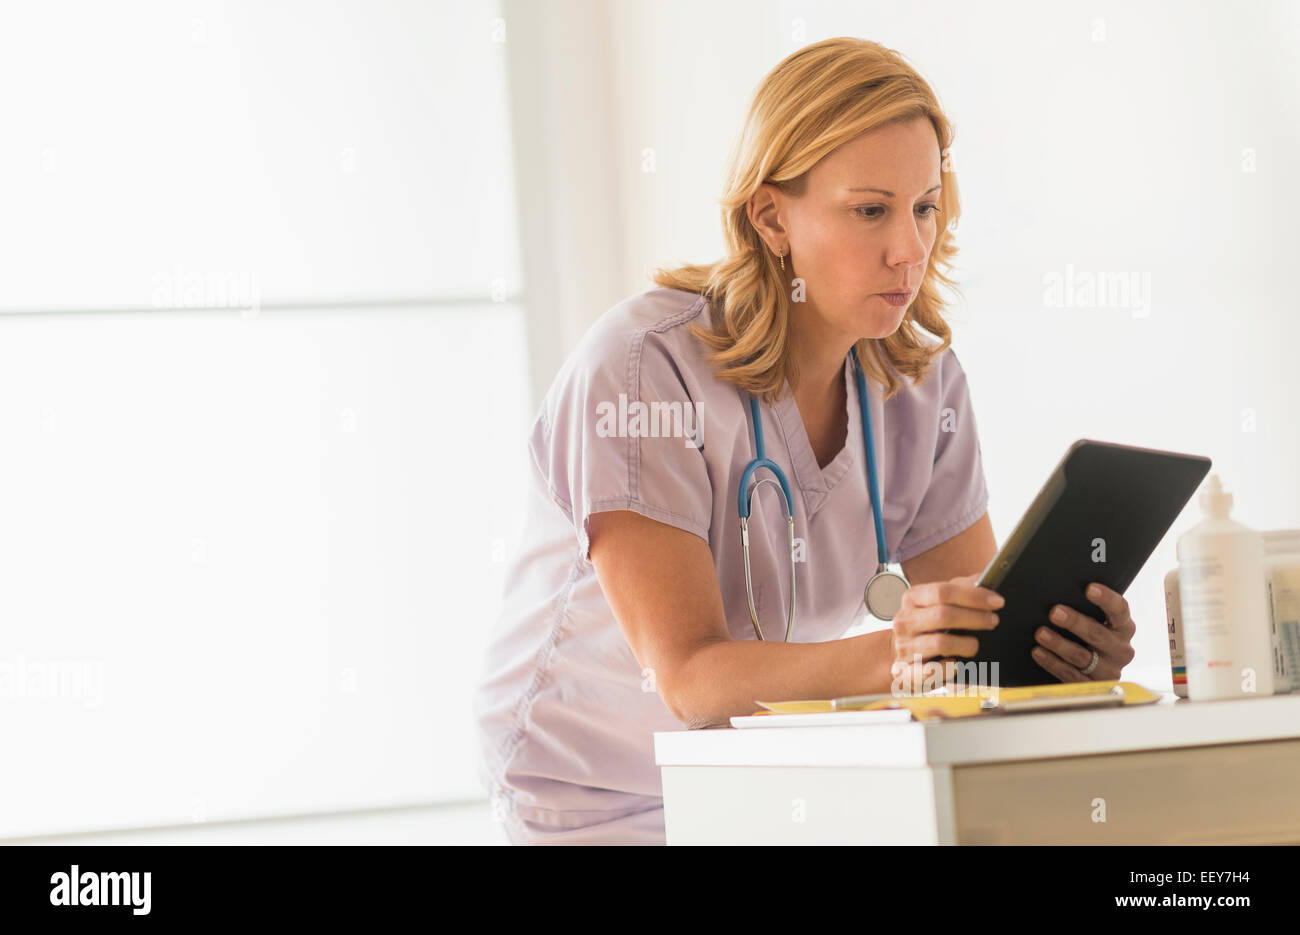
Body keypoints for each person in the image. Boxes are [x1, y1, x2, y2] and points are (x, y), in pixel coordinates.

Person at [473, 36, 1137, 846]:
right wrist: (899, 653)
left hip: (758, 777)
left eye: (924, 206)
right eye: (870, 210)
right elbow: (688, 678)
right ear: (770, 215)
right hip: (590, 793)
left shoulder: (921, 386)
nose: (909, 249)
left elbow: (969, 643)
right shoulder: (644, 367)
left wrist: (1054, 663)